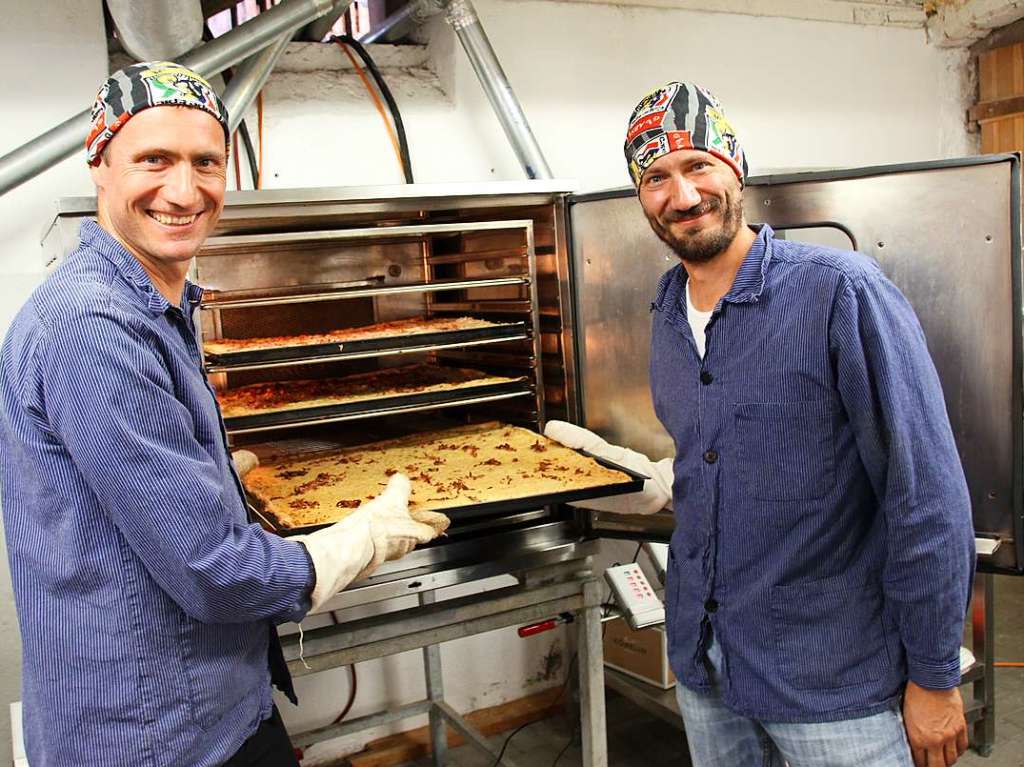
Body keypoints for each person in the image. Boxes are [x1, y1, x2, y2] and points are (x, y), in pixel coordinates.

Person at [0, 61, 446, 767]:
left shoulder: (154, 303)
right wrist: (356, 541)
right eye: (154, 159)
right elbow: (213, 571)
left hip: (206, 700)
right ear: (99, 165)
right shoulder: (93, 324)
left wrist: (205, 470)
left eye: (205, 162)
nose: (183, 190)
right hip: (153, 731)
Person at [545, 81, 976, 767]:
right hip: (709, 667)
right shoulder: (665, 311)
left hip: (835, 681)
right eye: (655, 176)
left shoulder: (841, 292)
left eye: (698, 166)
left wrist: (933, 674)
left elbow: (925, 496)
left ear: (735, 167)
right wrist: (644, 481)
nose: (681, 196)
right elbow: (708, 462)